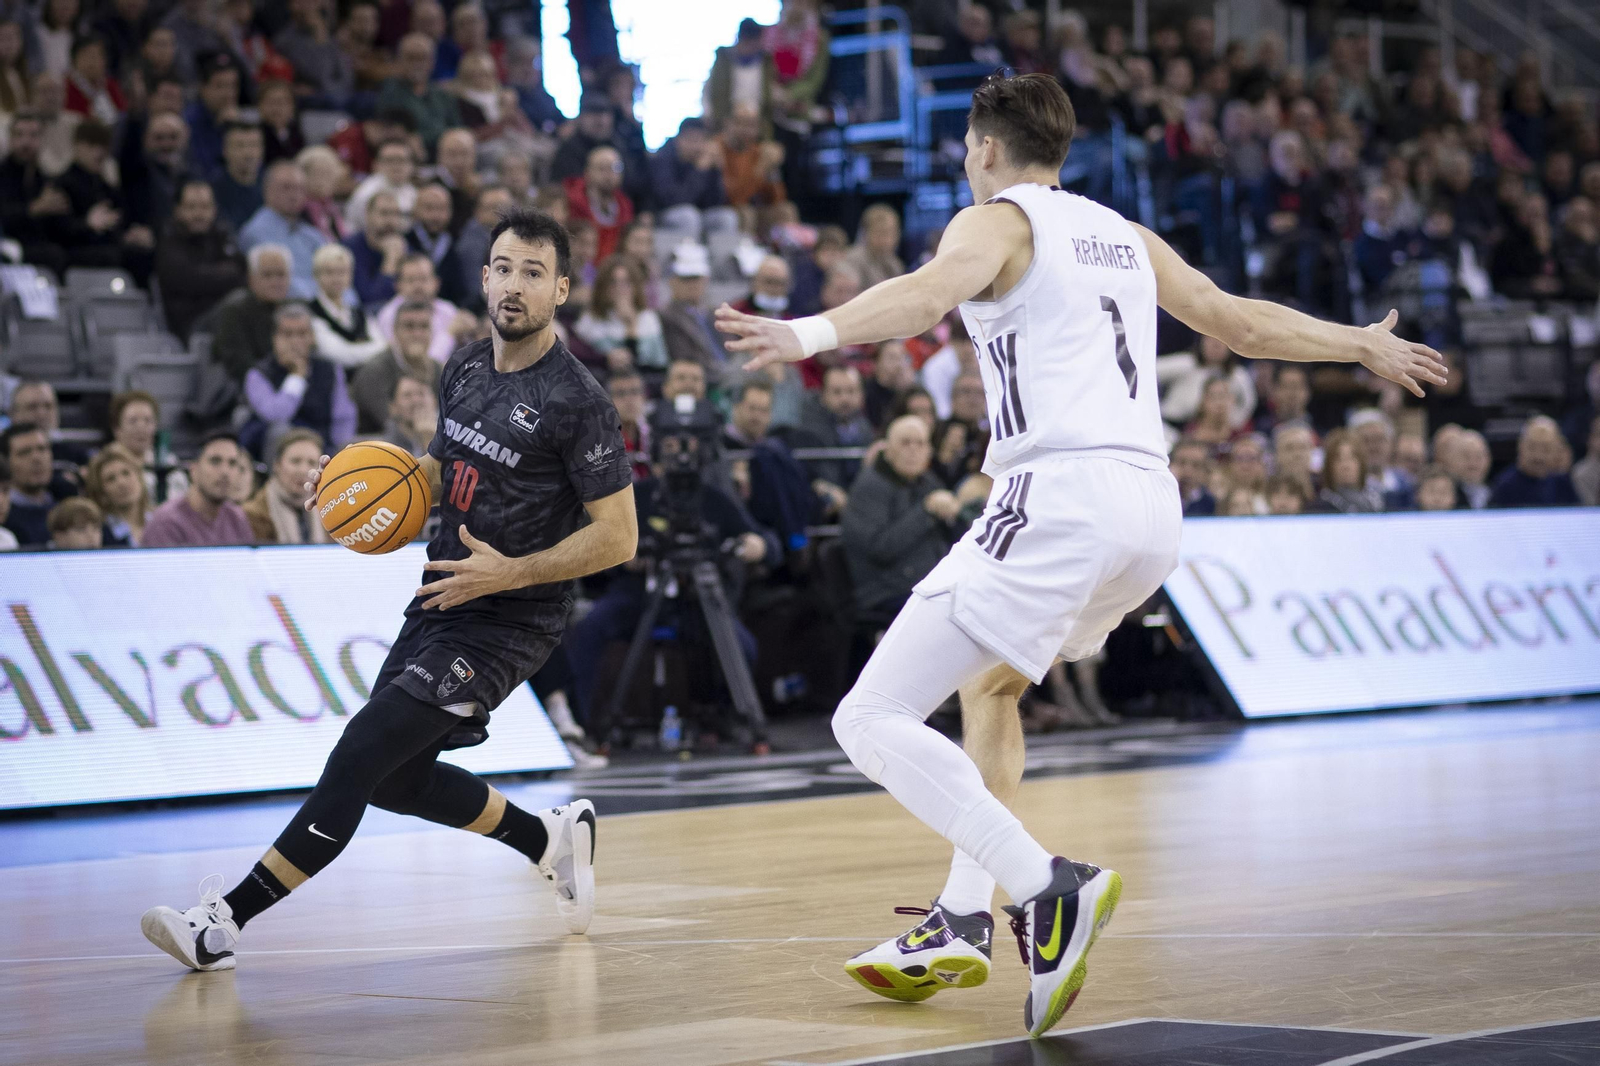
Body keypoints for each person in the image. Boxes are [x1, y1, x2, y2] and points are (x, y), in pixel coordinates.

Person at [714, 71, 1444, 1036]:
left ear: (981, 148)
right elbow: (1239, 322)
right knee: (991, 690)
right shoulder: (1126, 236)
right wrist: (1356, 343)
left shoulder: (997, 221)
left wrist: (805, 330)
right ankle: (962, 919)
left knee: (869, 715)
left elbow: (926, 296)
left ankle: (1042, 885)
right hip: (1150, 510)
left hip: (1057, 498)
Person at [140, 207, 635, 972]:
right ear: (483, 276)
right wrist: (350, 487)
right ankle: (548, 839)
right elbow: (435, 473)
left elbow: (619, 536)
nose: (515, 284)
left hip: (511, 618)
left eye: (534, 272)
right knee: (397, 781)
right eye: (504, 267)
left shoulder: (579, 401)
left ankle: (222, 923)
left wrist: (512, 570)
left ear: (561, 290)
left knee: (357, 760)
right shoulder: (464, 366)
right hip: (440, 596)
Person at [842, 414, 959, 630]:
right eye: (905, 443)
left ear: (929, 452)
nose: (913, 449)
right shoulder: (869, 488)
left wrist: (955, 515)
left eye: (921, 443)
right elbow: (880, 549)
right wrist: (925, 510)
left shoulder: (928, 482)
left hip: (928, 587)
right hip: (885, 590)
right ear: (887, 451)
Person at [242, 302, 357, 457]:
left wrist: (342, 454)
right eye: (288, 334)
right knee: (279, 430)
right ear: (275, 338)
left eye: (302, 334)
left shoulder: (330, 369)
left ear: (312, 337)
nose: (295, 341)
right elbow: (276, 416)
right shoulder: (258, 374)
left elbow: (343, 418)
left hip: (322, 449)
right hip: (279, 451)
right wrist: (296, 376)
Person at [156, 177, 246, 341]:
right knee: (240, 302)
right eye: (191, 207)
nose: (199, 214)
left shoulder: (220, 234)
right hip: (192, 326)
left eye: (205, 207)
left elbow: (241, 271)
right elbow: (190, 280)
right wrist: (225, 274)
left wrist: (209, 276)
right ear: (178, 210)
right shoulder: (170, 241)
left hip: (221, 316)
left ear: (214, 209)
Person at [140, 430, 254, 547]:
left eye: (232, 463)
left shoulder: (237, 518)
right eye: (215, 461)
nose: (225, 472)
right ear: (193, 470)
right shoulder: (167, 523)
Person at [239, 160, 328, 300]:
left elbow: (335, 272)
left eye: (300, 189)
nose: (294, 195)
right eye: (286, 188)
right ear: (267, 191)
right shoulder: (256, 233)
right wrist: (325, 301)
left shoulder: (312, 235)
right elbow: (281, 287)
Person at [204, 243, 291, 382]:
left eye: (281, 275)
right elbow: (240, 365)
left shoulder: (292, 309)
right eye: (267, 275)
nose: (275, 282)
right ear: (251, 278)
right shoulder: (235, 309)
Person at [351, 299, 442, 432]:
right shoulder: (375, 371)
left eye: (424, 327)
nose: (417, 334)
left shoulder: (438, 369)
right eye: (409, 326)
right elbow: (390, 424)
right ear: (395, 331)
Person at [375, 254, 477, 364]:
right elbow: (414, 364)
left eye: (423, 279)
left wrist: (470, 334)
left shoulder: (448, 310)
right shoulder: (389, 315)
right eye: (411, 280)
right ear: (397, 285)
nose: (418, 286)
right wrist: (450, 335)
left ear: (436, 283)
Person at [575, 254, 667, 374]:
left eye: (626, 282)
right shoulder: (590, 320)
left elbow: (659, 364)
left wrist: (631, 325)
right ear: (603, 287)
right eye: (613, 282)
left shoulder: (648, 318)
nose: (620, 289)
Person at [307, 243, 388, 368]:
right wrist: (368, 348)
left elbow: (382, 345)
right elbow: (340, 355)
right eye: (329, 272)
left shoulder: (358, 313)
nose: (337, 278)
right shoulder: (311, 312)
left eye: (342, 272)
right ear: (316, 275)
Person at [243, 428, 330, 544]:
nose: (303, 470)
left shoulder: (329, 512)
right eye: (295, 461)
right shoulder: (250, 515)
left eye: (311, 463)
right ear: (277, 465)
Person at [659, 242, 727, 374]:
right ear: (672, 281)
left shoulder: (717, 313)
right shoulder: (668, 316)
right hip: (704, 378)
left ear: (705, 279)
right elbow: (683, 356)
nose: (692, 284)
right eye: (685, 278)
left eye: (696, 278)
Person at [108, 389, 186, 503]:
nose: (141, 427)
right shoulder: (105, 466)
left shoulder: (169, 461)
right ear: (117, 429)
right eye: (133, 421)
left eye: (148, 420)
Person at [2, 422, 74, 546]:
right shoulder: (3, 516)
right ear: (6, 462)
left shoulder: (69, 504)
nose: (36, 458)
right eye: (24, 452)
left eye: (42, 449)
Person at [1490, 416, 1580, 507]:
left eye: (1546, 448)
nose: (1538, 456)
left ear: (1556, 450)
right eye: (1532, 447)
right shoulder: (1505, 486)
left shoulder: (1563, 485)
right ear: (1520, 446)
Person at [564, 144, 633, 262]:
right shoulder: (571, 202)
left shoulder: (625, 206)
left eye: (615, 168)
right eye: (602, 168)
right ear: (587, 172)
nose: (609, 174)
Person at [343, 189, 407, 311]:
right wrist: (391, 261)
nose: (390, 221)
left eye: (395, 214)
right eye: (384, 213)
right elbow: (370, 301)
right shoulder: (349, 250)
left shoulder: (406, 250)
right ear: (368, 215)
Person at [84, 441, 153, 545]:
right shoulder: (100, 534)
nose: (121, 483)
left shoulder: (161, 521)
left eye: (126, 473)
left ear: (139, 476)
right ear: (102, 493)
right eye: (111, 479)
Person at [210, 120, 263, 231]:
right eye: (240, 146)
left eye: (254, 145)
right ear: (225, 150)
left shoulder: (271, 184)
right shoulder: (213, 190)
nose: (248, 153)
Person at [1314, 429, 1383, 513]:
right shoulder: (1320, 507)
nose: (1345, 465)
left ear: (1361, 463)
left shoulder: (1379, 500)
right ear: (1329, 466)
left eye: (1352, 458)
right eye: (1338, 459)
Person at [380, 373, 436, 457]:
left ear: (434, 401)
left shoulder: (456, 438)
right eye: (407, 395)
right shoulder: (385, 449)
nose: (416, 400)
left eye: (421, 393)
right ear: (393, 407)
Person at [1167, 437, 1215, 516]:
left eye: (1196, 465)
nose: (1188, 472)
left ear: (1205, 472)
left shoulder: (1212, 504)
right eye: (1181, 463)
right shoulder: (1160, 498)